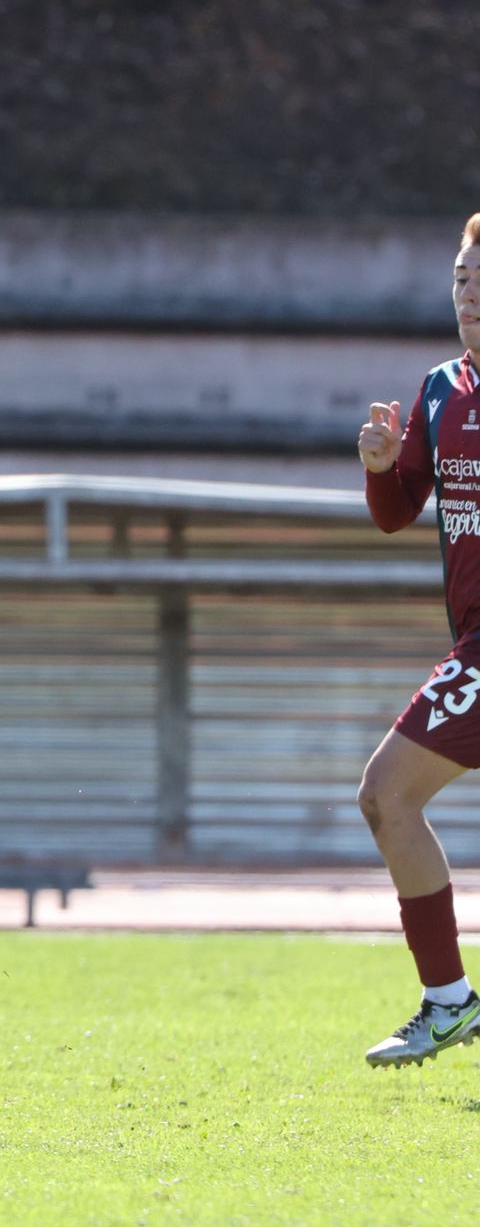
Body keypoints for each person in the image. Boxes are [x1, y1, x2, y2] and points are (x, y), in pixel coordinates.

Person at [355, 212, 480, 1066]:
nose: (469, 297)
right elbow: (400, 515)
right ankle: (449, 1001)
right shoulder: (440, 389)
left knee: (388, 794)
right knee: (388, 800)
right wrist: (379, 466)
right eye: (462, 281)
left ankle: (447, 1000)